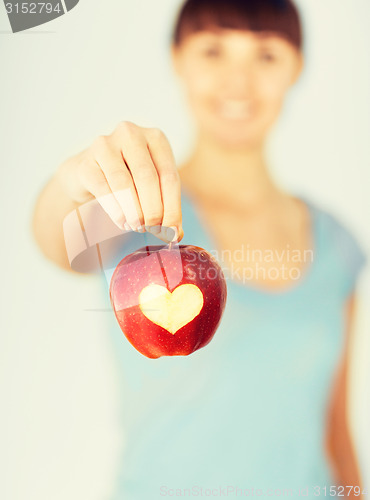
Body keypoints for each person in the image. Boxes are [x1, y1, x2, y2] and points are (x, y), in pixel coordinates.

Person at [32, 0, 367, 497]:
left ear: (296, 67)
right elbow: (54, 241)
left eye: (266, 56)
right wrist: (74, 177)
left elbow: (334, 429)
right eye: (213, 51)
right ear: (178, 59)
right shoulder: (129, 215)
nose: (239, 81)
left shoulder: (337, 243)